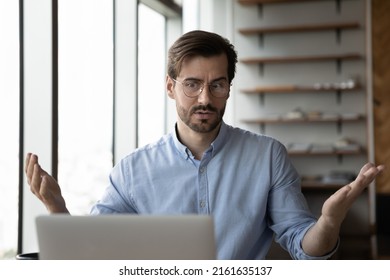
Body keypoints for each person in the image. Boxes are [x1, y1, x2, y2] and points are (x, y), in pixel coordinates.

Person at [25, 30, 384, 260]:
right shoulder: (132, 169)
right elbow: (96, 255)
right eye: (192, 84)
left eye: (217, 85)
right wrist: (58, 209)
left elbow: (304, 246)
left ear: (229, 86)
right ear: (170, 87)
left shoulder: (267, 156)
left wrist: (328, 222)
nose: (205, 98)